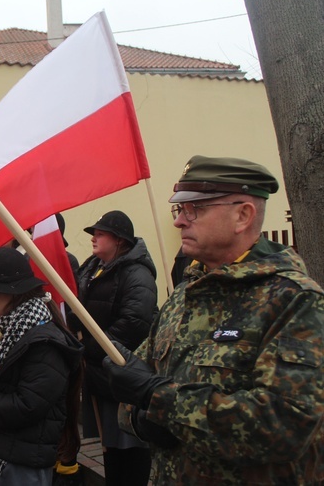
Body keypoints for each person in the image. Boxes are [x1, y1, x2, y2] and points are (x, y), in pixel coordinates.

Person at [102, 155, 324, 484]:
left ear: (243, 215)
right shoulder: (185, 294)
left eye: (196, 209)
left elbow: (284, 425)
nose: (179, 222)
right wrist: (138, 417)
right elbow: (138, 382)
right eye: (181, 210)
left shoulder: (294, 301)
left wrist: (160, 400)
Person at [0, 247, 83, 485]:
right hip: (3, 451)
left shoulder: (43, 342)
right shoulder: (6, 326)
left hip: (23, 460)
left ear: (14, 293)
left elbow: (27, 406)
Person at [74, 210, 158, 486]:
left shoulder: (136, 273)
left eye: (101, 233)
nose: (94, 237)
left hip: (122, 372)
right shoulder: (92, 267)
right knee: (111, 446)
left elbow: (135, 322)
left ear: (120, 240)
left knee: (130, 446)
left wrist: (92, 348)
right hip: (102, 371)